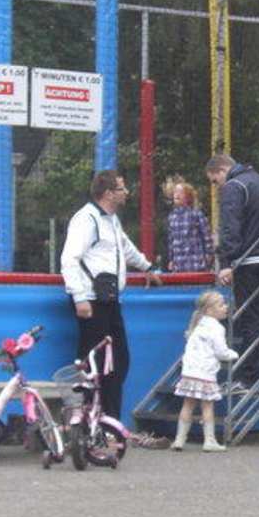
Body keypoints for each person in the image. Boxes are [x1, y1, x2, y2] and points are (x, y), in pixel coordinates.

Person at [60, 169, 162, 422]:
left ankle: (108, 420)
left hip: (108, 298)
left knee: (117, 360)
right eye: (121, 188)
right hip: (92, 300)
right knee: (93, 361)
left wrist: (147, 267)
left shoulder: (111, 220)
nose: (126, 192)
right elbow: (69, 258)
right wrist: (80, 297)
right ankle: (88, 419)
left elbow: (125, 247)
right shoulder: (86, 219)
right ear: (108, 193)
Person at [205, 153, 259, 393]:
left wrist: (227, 261)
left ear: (222, 170)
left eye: (215, 180)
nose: (217, 186)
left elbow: (230, 226)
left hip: (248, 261)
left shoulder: (234, 187)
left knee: (249, 319)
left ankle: (246, 377)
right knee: (256, 316)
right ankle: (250, 371)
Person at [173, 290, 238, 452]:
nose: (226, 307)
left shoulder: (197, 325)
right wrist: (233, 354)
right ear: (210, 310)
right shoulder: (217, 328)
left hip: (189, 372)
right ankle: (209, 440)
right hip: (205, 373)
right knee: (207, 406)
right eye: (221, 305)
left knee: (187, 405)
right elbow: (221, 351)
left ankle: (179, 439)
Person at [166, 181, 212, 272]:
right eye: (175, 192)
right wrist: (171, 259)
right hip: (178, 264)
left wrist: (209, 254)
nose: (176, 194)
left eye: (180, 192)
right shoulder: (172, 217)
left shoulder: (196, 214)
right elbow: (171, 240)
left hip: (195, 262)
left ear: (188, 197)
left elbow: (207, 235)